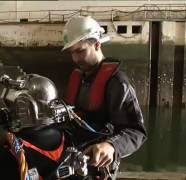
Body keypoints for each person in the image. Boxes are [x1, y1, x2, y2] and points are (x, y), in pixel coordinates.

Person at [62, 16, 147, 178]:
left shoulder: (118, 83)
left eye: (80, 51)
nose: (75, 59)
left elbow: (136, 132)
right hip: (71, 157)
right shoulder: (78, 77)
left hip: (97, 164)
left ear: (97, 44)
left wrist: (111, 146)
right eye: (71, 52)